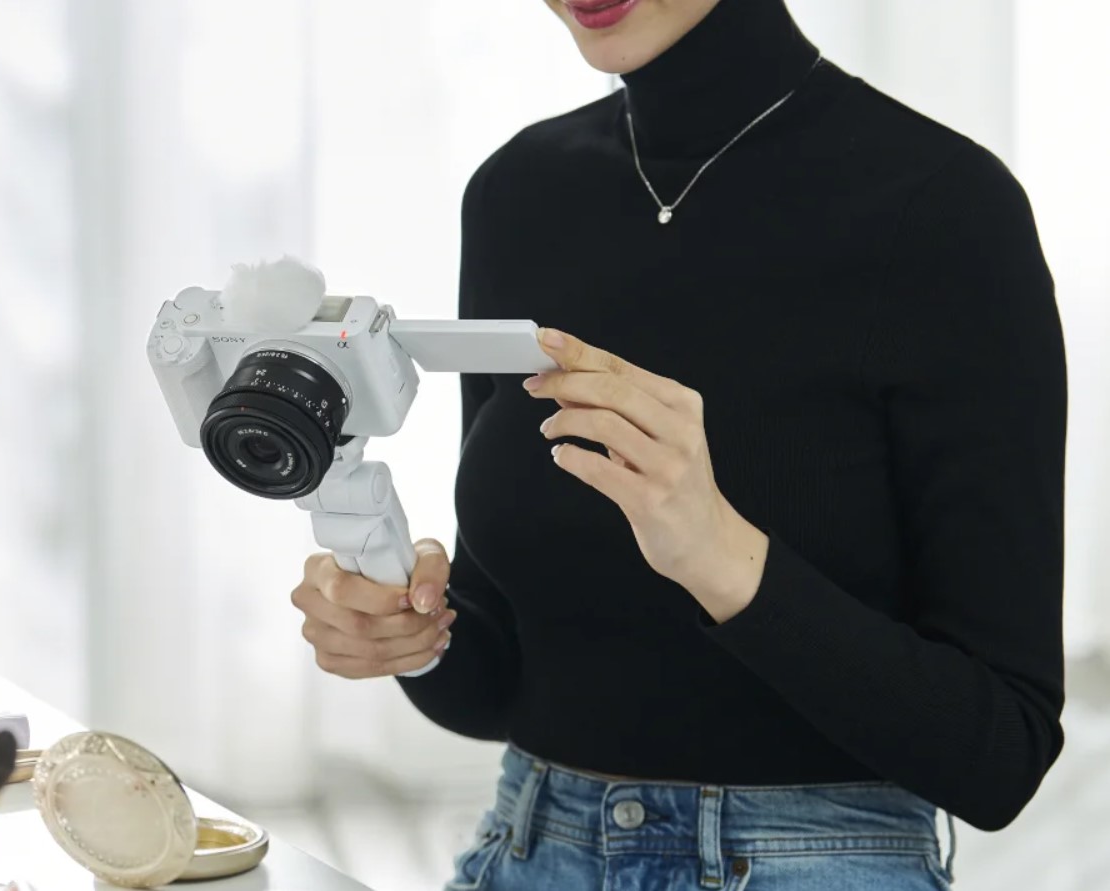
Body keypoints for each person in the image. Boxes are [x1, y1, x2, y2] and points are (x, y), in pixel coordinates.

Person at [287, 0, 1067, 888]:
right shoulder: (517, 194)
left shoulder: (945, 210)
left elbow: (1000, 755)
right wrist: (412, 632)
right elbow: (502, 683)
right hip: (530, 846)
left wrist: (717, 553)